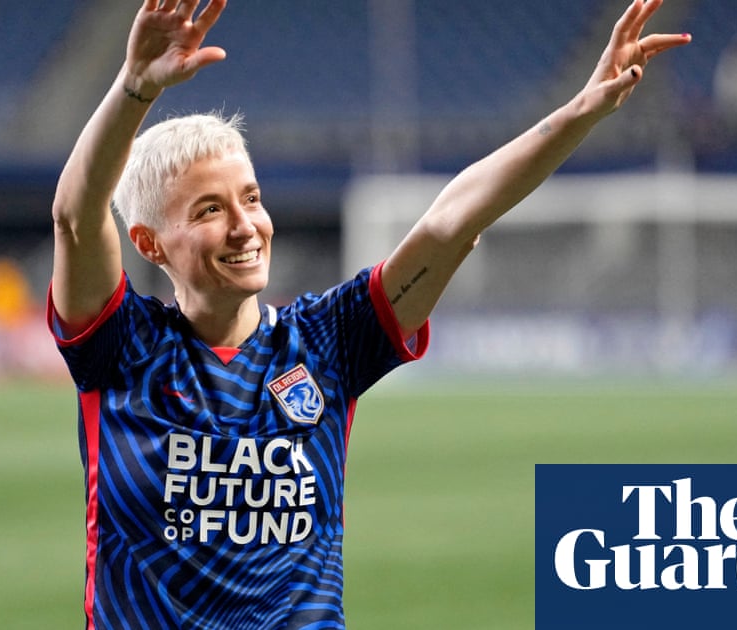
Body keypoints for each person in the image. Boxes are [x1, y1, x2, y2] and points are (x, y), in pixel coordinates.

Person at [47, 0, 689, 627]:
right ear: (149, 244)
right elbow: (76, 217)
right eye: (210, 210)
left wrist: (582, 110)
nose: (246, 227)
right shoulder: (123, 348)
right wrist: (135, 86)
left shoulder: (328, 341)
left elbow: (452, 220)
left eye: (252, 198)